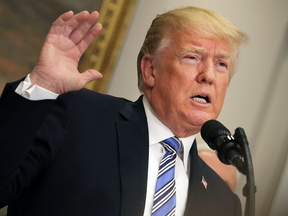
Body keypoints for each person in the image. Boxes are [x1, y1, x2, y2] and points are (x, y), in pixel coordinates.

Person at [0, 6, 248, 216]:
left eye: (221, 64)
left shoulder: (225, 203)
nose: (208, 76)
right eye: (192, 57)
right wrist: (41, 86)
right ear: (151, 70)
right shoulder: (77, 116)